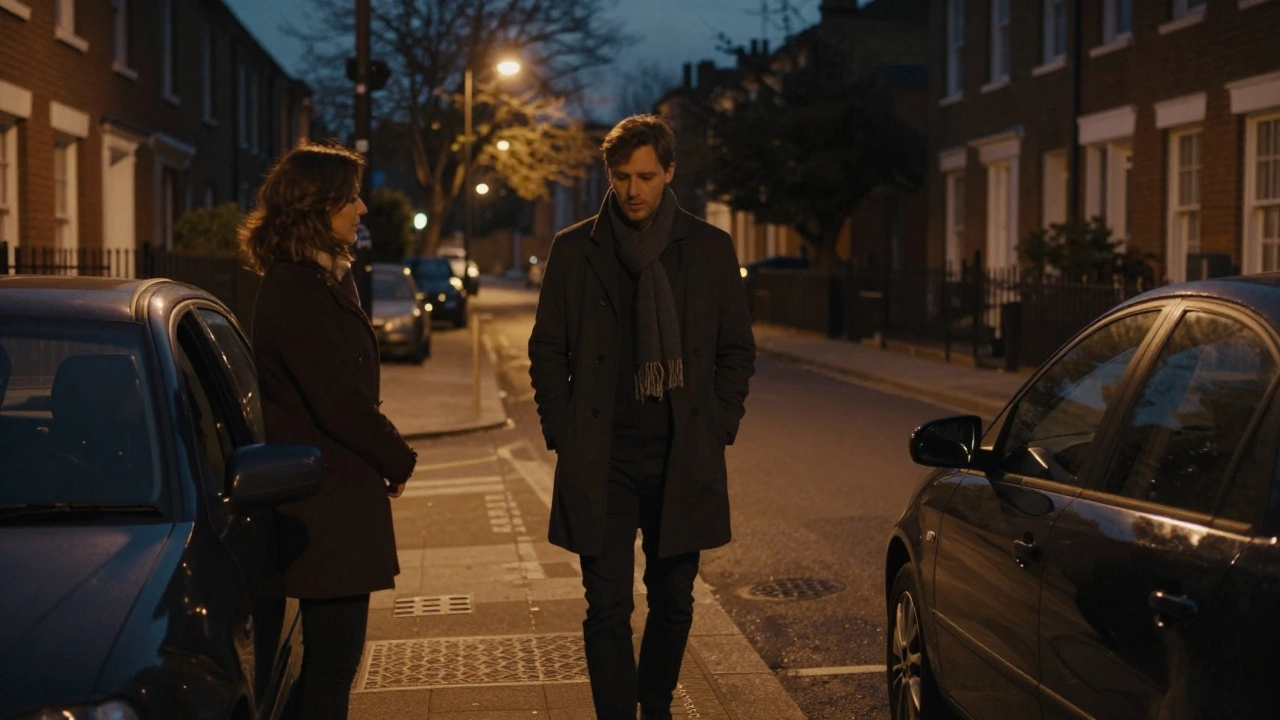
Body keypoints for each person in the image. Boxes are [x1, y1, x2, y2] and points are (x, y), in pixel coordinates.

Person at [528, 114, 755, 720]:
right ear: (609, 174)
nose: (633, 190)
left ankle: (653, 706)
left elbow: (736, 349)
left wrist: (718, 425)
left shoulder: (707, 248)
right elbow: (547, 349)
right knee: (606, 606)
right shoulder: (576, 249)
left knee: (674, 600)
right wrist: (564, 432)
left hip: (682, 452)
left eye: (647, 176)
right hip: (602, 455)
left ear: (670, 173)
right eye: (623, 176)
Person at [240, 141, 417, 720]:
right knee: (332, 665)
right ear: (317, 206)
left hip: (334, 497)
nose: (362, 208)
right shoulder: (298, 289)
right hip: (325, 507)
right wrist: (397, 457)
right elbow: (338, 400)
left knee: (329, 665)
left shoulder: (320, 278)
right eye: (350, 198)